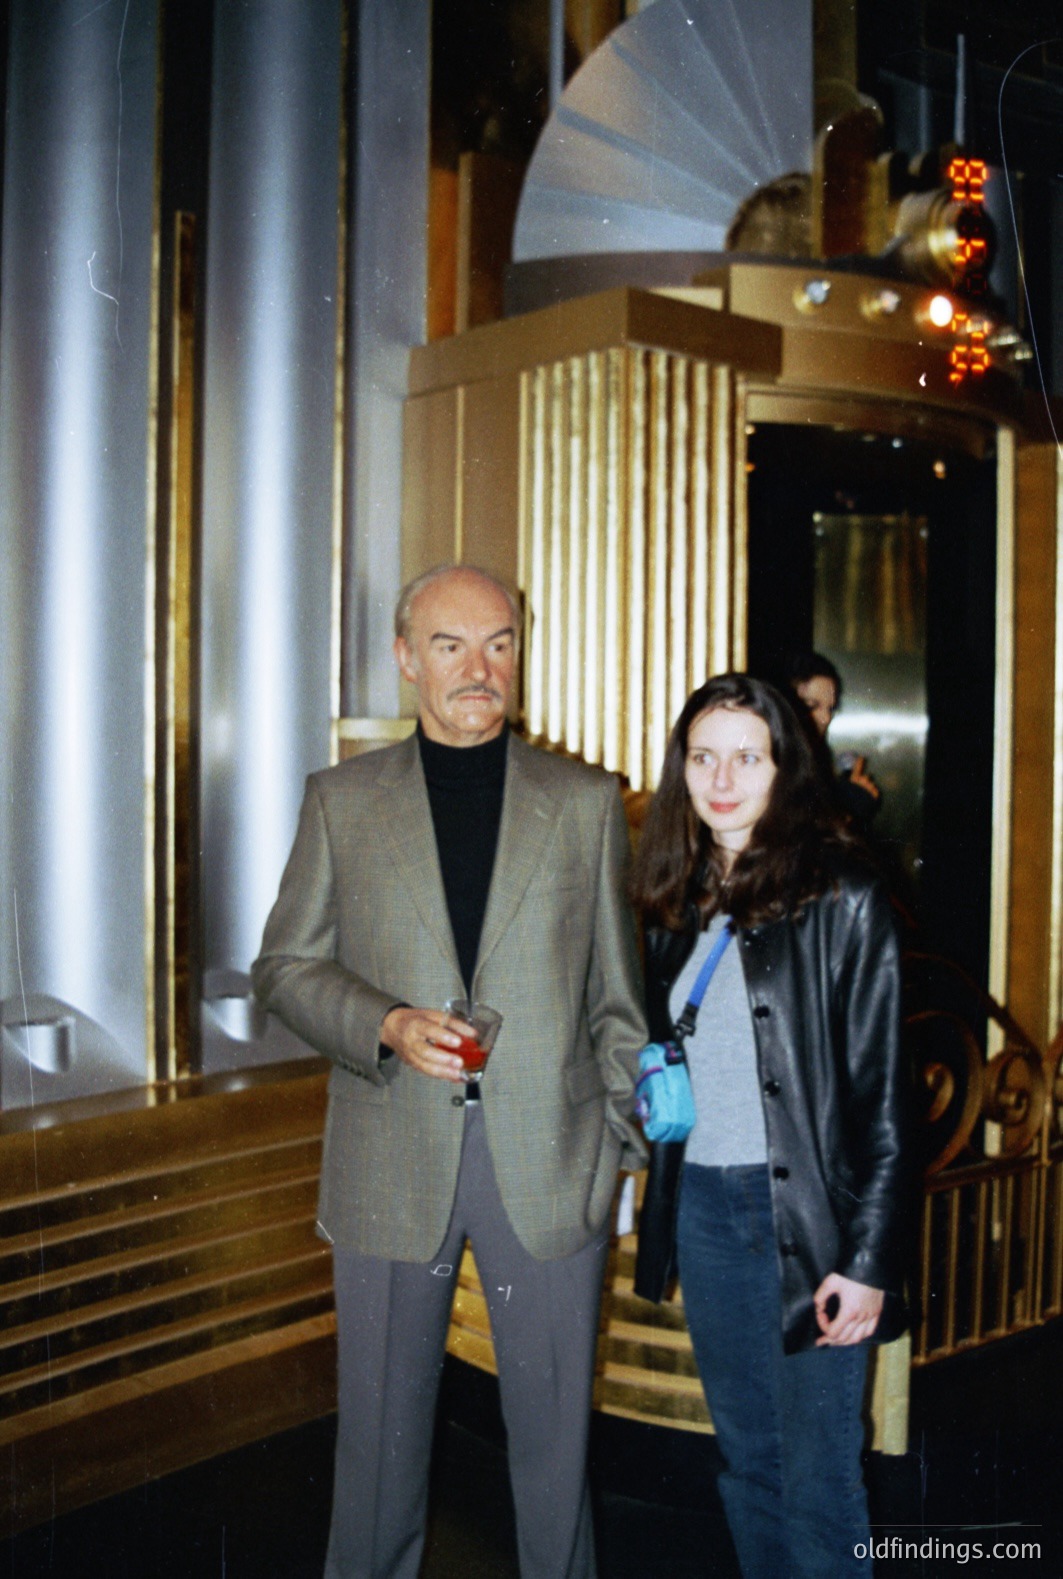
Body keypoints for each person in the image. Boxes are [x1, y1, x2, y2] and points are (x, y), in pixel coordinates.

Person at [253, 563, 647, 1579]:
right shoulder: (342, 800)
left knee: (556, 1453)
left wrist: (621, 1148)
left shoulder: (587, 801)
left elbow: (618, 1000)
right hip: (391, 1156)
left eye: (500, 642)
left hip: (554, 1164)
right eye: (450, 644)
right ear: (403, 658)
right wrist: (382, 1021)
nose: (480, 667)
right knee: (378, 1452)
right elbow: (284, 967)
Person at [631, 673, 909, 1579]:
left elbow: (881, 1099)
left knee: (820, 1478)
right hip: (707, 1207)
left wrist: (865, 1261)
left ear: (785, 766)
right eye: (703, 756)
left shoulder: (845, 896)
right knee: (747, 1463)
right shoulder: (678, 894)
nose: (721, 776)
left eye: (746, 756)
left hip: (806, 1222)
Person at [783, 650, 880, 833]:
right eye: (812, 705)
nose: (826, 718)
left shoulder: (817, 755)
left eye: (830, 708)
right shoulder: (772, 759)